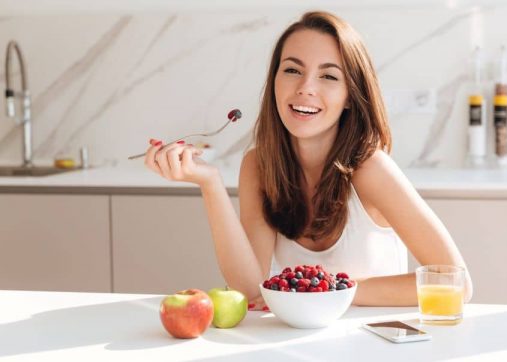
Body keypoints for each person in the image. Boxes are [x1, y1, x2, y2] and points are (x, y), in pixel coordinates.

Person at [144, 11, 473, 308]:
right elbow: (247, 290)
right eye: (292, 70)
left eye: (328, 76)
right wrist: (210, 184)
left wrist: (328, 290)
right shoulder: (259, 166)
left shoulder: (371, 169)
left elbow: (455, 283)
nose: (305, 87)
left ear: (349, 96)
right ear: (274, 81)